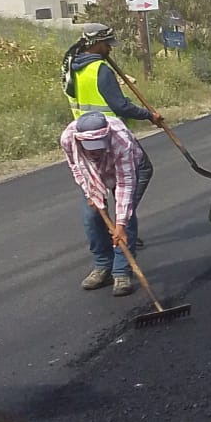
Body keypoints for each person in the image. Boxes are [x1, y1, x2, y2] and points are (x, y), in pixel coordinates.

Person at [61, 22, 162, 245]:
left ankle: (115, 224)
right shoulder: (100, 70)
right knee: (140, 171)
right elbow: (120, 106)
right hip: (108, 134)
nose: (110, 49)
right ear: (96, 44)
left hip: (82, 137)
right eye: (107, 44)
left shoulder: (72, 67)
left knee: (96, 188)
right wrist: (149, 115)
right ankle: (122, 223)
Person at [60, 111, 153, 296]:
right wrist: (89, 192)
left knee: (126, 217)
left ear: (106, 136)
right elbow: (75, 166)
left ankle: (121, 271)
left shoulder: (122, 141)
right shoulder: (68, 139)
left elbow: (125, 183)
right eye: (90, 147)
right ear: (80, 140)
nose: (95, 150)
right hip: (92, 174)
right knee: (91, 216)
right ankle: (103, 265)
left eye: (98, 146)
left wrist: (120, 226)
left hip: (121, 168)